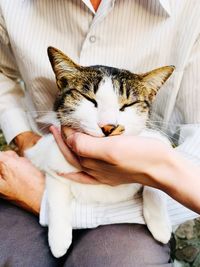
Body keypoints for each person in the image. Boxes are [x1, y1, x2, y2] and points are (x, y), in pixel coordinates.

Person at [0, 0, 200, 266]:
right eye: (91, 103)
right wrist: (21, 135)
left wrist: (51, 205)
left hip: (128, 211)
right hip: (36, 169)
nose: (108, 124)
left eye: (127, 106)